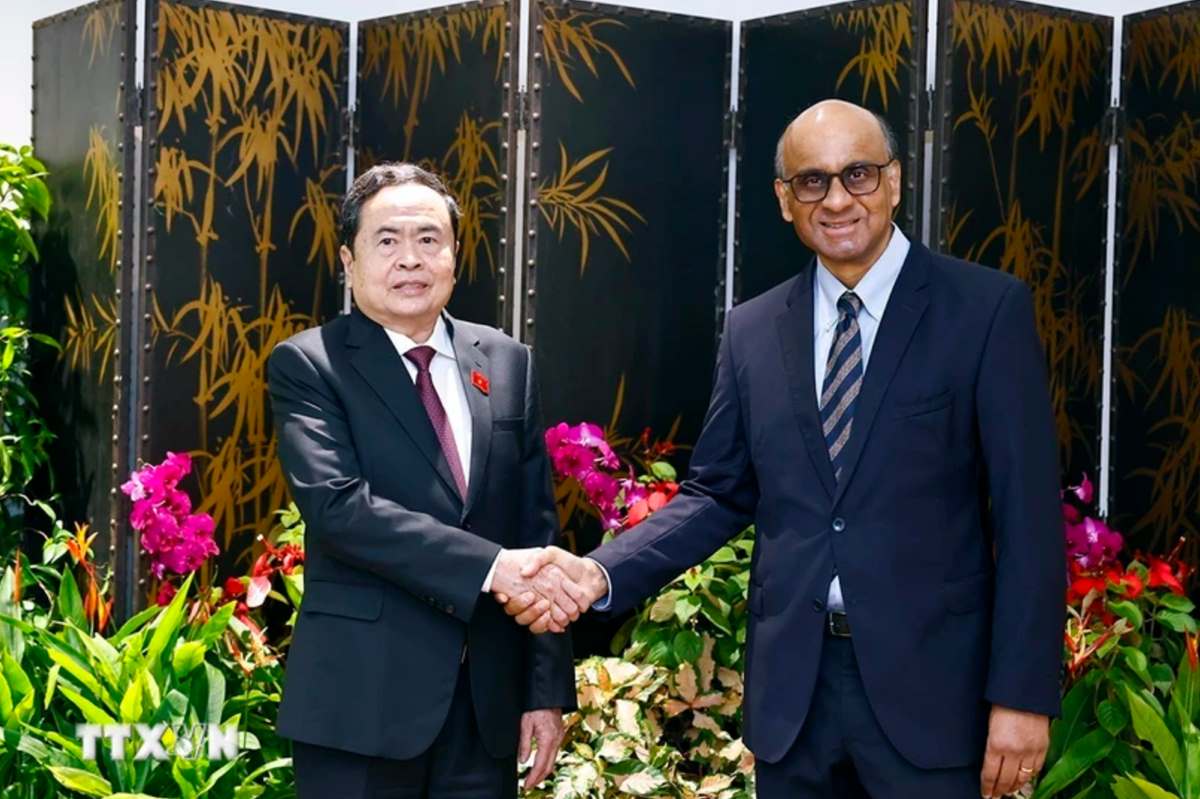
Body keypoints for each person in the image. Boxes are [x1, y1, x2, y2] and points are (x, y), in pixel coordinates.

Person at [503, 100, 1066, 799]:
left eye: (857, 174)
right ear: (782, 198)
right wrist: (597, 574)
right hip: (795, 702)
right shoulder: (753, 328)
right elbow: (717, 492)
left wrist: (1022, 696)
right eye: (811, 181)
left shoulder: (985, 311)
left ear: (894, 180)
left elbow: (1029, 518)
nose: (836, 199)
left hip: (935, 696)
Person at [269, 163, 585, 798]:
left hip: (484, 710)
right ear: (347, 259)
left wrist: (544, 690)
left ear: (456, 256)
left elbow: (537, 527)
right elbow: (340, 509)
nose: (410, 259)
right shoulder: (311, 364)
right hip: (360, 707)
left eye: (428, 239)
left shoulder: (506, 361)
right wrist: (492, 567)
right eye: (387, 240)